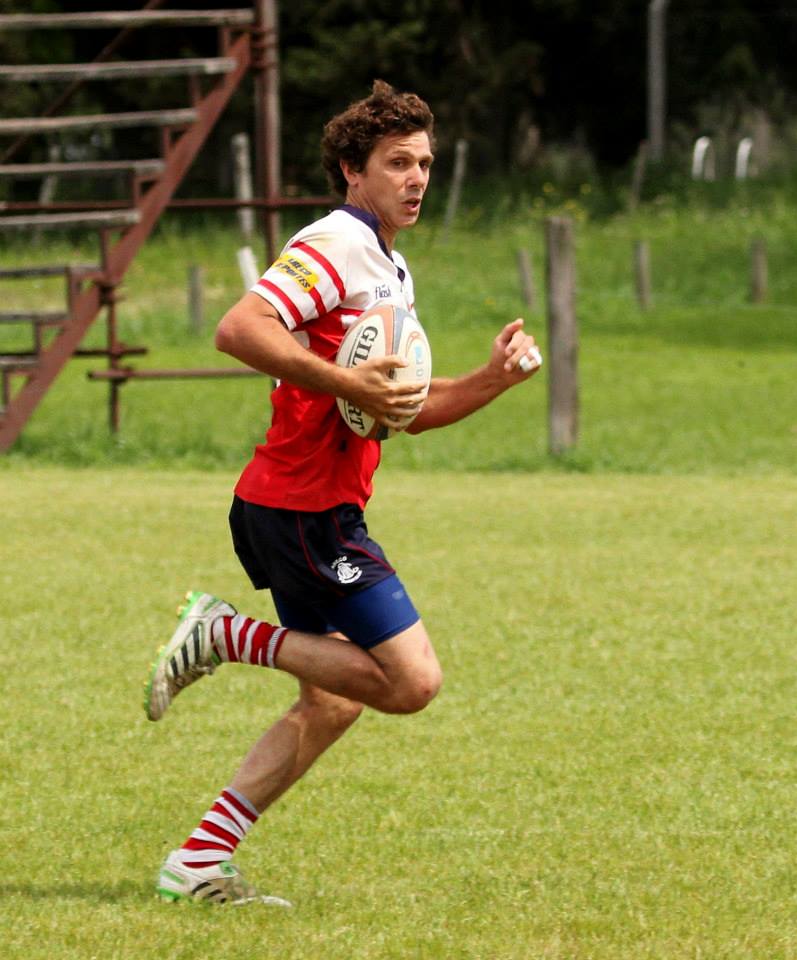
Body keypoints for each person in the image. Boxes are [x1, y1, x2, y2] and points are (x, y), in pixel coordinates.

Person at [143, 79, 542, 906]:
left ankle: (195, 865)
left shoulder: (388, 265)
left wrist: (493, 379)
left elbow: (406, 411)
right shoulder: (336, 242)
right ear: (352, 170)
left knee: (331, 700)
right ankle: (223, 634)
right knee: (409, 682)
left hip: (311, 506)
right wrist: (341, 378)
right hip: (302, 508)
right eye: (398, 162)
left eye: (425, 163)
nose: (417, 178)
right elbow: (240, 328)